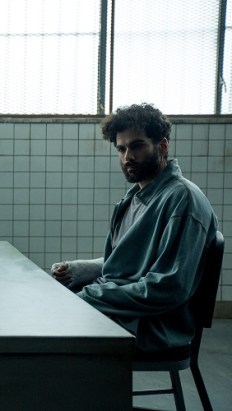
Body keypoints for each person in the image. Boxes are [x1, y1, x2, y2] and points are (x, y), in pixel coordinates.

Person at [51, 103, 218, 354]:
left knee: (47, 326)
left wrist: (89, 297)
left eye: (137, 146)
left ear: (162, 146)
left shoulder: (182, 201)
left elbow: (168, 288)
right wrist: (79, 270)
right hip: (125, 310)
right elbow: (129, 264)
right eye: (121, 149)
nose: (128, 157)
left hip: (152, 325)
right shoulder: (135, 198)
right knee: (45, 300)